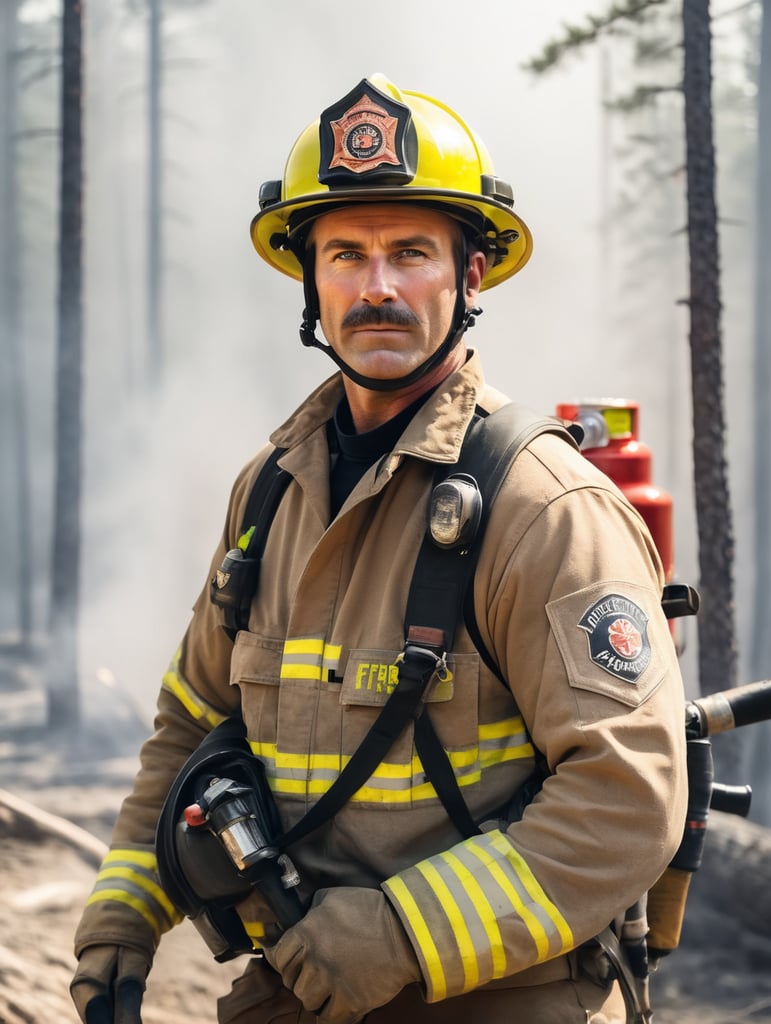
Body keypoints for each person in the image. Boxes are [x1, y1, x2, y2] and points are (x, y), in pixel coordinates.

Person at [70, 74, 688, 1024]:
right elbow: (191, 722)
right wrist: (123, 915)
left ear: (470, 275)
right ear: (310, 281)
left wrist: (402, 934)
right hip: (303, 988)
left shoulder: (540, 507)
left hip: (505, 999)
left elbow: (626, 795)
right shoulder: (269, 494)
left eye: (411, 253)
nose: (379, 286)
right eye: (346, 255)